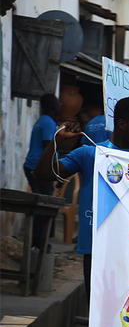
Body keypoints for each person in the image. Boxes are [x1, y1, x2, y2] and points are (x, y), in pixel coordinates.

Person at [34, 97, 129, 327]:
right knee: (102, 319)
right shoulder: (89, 154)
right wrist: (56, 143)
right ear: (122, 124)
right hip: (97, 251)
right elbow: (44, 176)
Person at [23, 94, 59, 246]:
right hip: (38, 168)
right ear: (53, 107)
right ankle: (38, 243)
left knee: (42, 204)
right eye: (57, 104)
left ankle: (38, 242)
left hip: (32, 166)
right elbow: (48, 148)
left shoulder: (42, 121)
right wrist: (55, 171)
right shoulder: (48, 122)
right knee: (44, 205)